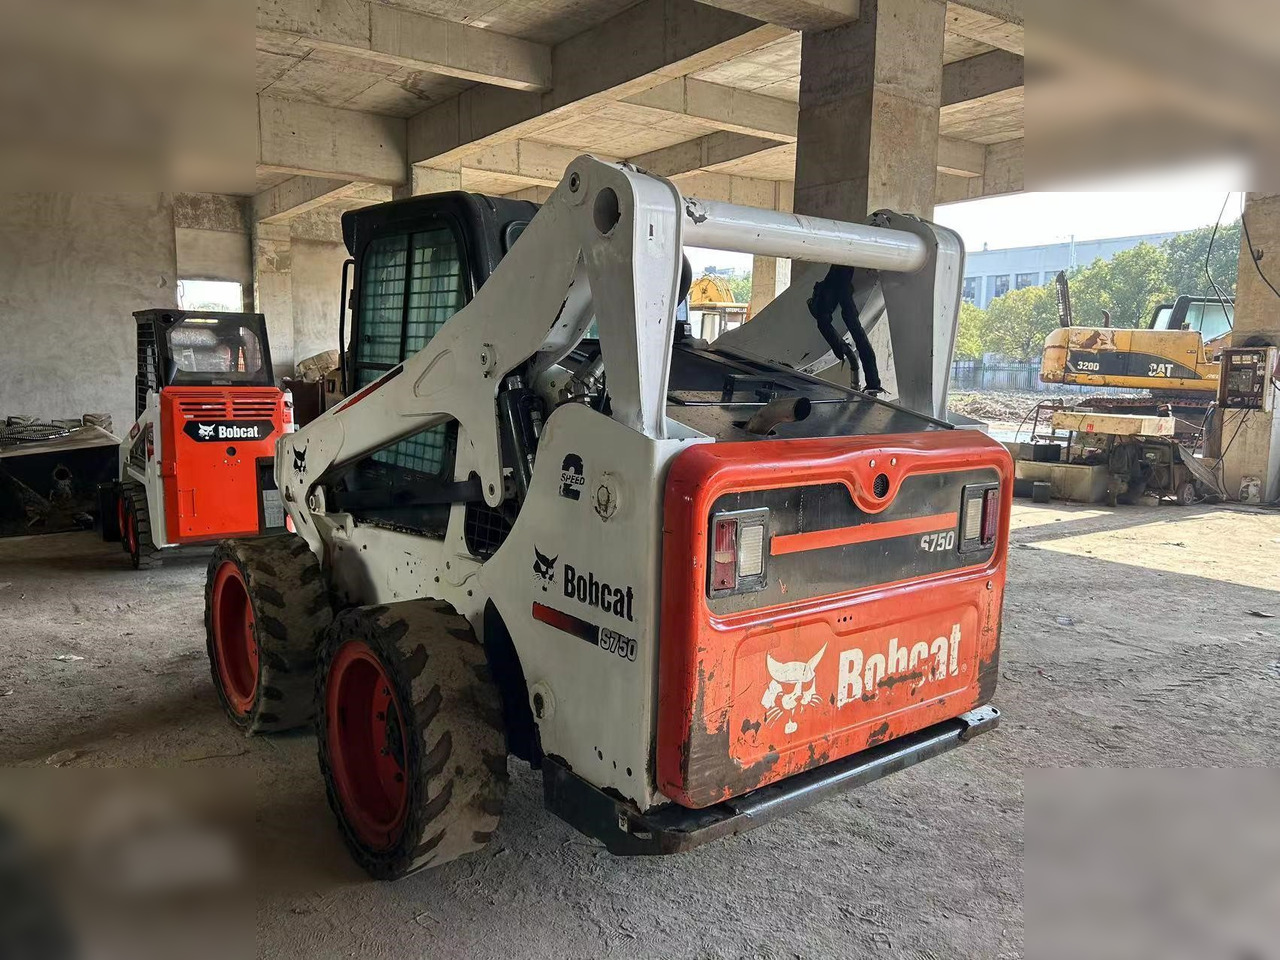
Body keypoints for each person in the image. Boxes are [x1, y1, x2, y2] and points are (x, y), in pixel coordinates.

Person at [807, 264, 883, 394]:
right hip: (839, 289)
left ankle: (873, 383)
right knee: (856, 331)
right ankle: (873, 384)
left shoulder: (833, 285)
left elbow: (823, 322)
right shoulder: (838, 277)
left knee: (853, 328)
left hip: (837, 290)